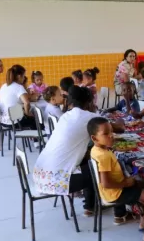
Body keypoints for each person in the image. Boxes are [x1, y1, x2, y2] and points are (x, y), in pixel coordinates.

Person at [32, 86, 125, 217]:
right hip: (58, 181)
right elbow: (119, 128)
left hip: (40, 176)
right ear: (89, 103)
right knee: (105, 165)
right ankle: (118, 211)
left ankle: (90, 206)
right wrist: (122, 119)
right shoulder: (89, 117)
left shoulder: (65, 116)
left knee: (90, 160)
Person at [88, 117, 144, 241]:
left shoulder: (97, 150)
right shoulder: (104, 156)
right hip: (115, 192)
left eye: (111, 131)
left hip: (112, 190)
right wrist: (126, 184)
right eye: (106, 134)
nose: (111, 136)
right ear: (94, 138)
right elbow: (106, 183)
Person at [0, 65, 37, 129]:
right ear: (19, 77)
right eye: (23, 76)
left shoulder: (4, 86)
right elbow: (26, 103)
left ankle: (29, 135)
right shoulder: (19, 87)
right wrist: (27, 113)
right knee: (36, 119)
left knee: (26, 115)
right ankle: (36, 138)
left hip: (3, 120)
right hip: (16, 121)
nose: (24, 78)